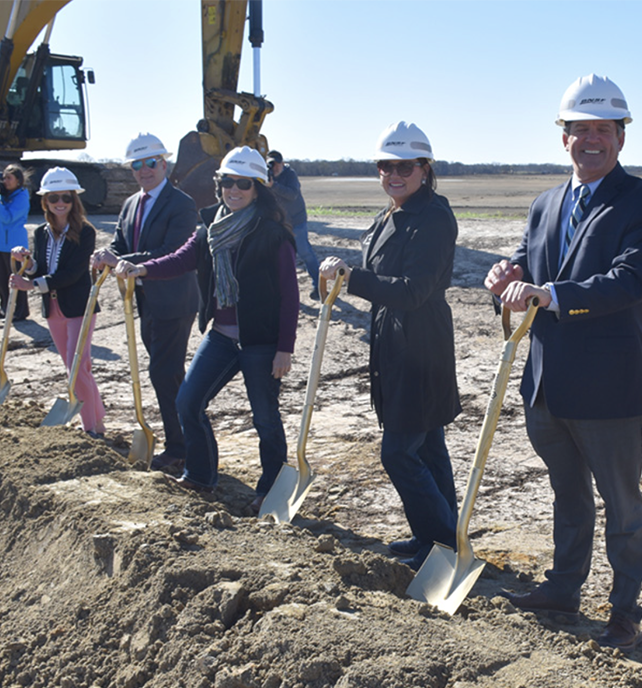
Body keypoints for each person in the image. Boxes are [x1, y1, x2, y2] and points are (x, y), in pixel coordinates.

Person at [483, 75, 642, 650]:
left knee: (622, 505)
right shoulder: (546, 202)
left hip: (608, 388)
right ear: (562, 137)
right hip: (545, 383)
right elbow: (525, 260)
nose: (592, 140)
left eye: (603, 130)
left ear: (621, 136)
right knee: (567, 495)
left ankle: (623, 612)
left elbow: (629, 281)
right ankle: (564, 588)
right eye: (580, 130)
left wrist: (550, 295)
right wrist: (506, 277)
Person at [114, 147, 298, 508]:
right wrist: (143, 268)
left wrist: (284, 349)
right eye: (227, 181)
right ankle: (200, 476)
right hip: (222, 338)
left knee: (265, 418)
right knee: (188, 401)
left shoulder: (273, 232)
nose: (234, 190)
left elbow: (290, 297)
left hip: (261, 342)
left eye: (242, 183)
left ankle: (270, 488)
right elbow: (183, 257)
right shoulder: (211, 225)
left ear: (257, 187)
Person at [318, 122, 461, 571]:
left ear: (425, 168)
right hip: (392, 342)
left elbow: (414, 290)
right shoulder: (388, 215)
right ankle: (433, 536)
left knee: (399, 452)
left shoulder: (434, 217)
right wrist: (339, 278)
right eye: (385, 166)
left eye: (404, 166)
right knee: (428, 448)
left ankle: (442, 544)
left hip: (422, 346)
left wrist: (352, 278)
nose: (394, 174)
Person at [92, 133, 200, 474]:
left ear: (163, 164)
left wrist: (121, 259)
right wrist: (106, 255)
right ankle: (187, 439)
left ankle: (181, 447)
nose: (143, 170)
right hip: (144, 301)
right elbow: (121, 242)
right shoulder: (130, 204)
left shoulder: (181, 204)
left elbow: (171, 251)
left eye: (150, 163)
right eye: (136, 165)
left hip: (174, 301)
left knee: (163, 374)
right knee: (166, 376)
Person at [8, 168, 107, 438]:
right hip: (53, 310)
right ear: (45, 201)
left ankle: (91, 429)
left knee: (77, 369)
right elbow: (41, 268)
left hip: (78, 309)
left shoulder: (85, 232)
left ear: (74, 200)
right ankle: (98, 420)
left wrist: (34, 286)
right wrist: (26, 264)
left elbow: (73, 273)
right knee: (73, 368)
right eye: (54, 198)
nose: (60, 202)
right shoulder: (41, 233)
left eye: (66, 197)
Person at [267, 150, 321, 301]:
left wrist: (273, 185)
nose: (274, 167)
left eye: (277, 164)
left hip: (297, 221)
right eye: (271, 164)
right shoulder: (268, 178)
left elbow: (292, 194)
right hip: (279, 223)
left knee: (305, 253)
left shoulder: (290, 175)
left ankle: (318, 285)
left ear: (282, 163)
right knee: (278, 256)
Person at [0, 163, 31, 321]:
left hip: (14, 246)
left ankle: (21, 311)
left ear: (18, 181)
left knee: (17, 279)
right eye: (3, 178)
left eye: (9, 178)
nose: (5, 182)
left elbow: (8, 218)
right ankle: (4, 308)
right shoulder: (1, 196)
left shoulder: (22, 197)